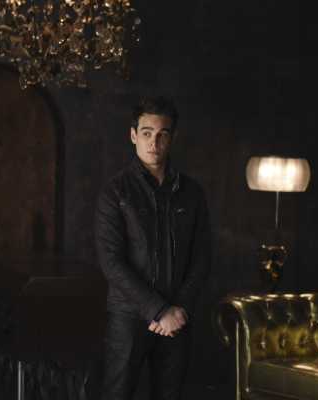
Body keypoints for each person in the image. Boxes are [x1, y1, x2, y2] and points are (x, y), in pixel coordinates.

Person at [94, 96, 212, 400]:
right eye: (146, 133)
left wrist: (177, 310)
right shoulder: (115, 191)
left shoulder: (192, 193)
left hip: (177, 318)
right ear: (133, 135)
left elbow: (201, 259)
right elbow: (111, 262)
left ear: (173, 138)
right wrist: (159, 311)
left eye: (162, 134)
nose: (154, 143)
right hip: (129, 317)